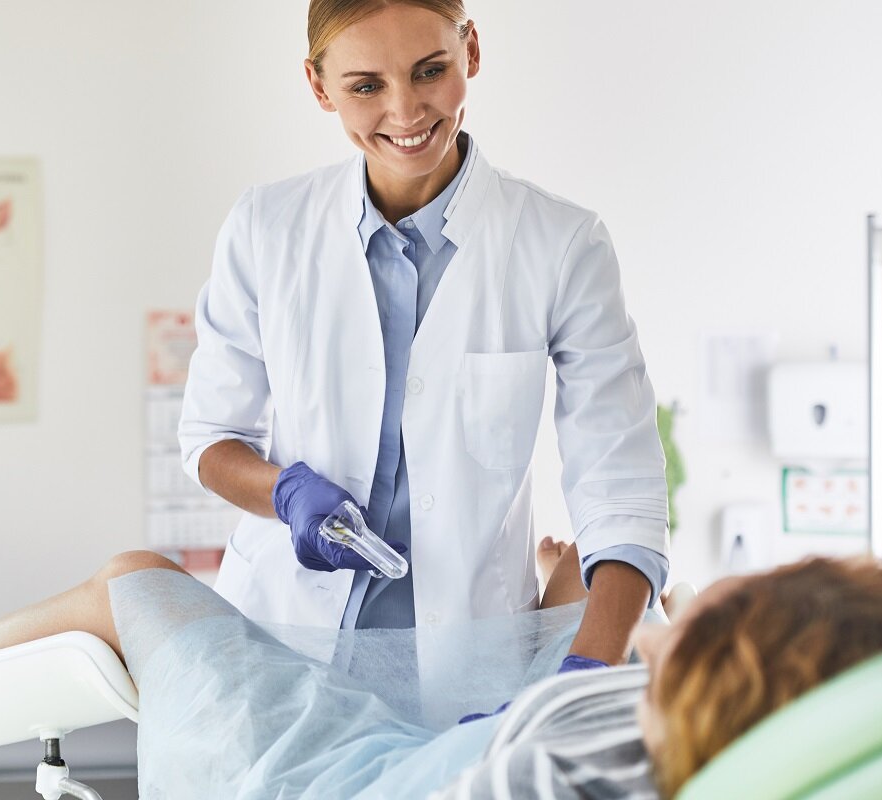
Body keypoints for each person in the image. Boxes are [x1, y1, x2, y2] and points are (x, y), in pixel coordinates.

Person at [177, 0, 668, 676]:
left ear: (470, 52)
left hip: (468, 664)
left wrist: (582, 677)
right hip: (284, 647)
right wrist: (286, 493)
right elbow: (209, 438)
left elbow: (622, 490)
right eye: (366, 85)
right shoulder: (267, 228)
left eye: (429, 70)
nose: (406, 111)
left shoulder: (561, 245)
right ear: (320, 87)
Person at [0, 551, 882, 797]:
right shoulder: (673, 736)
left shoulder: (576, 757)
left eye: (683, 625)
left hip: (310, 776)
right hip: (410, 750)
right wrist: (562, 618)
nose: (661, 622)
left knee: (137, 582)